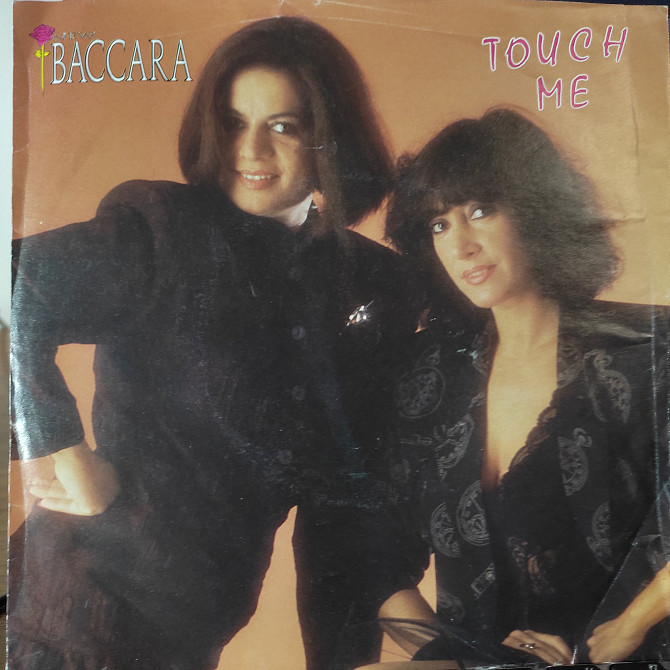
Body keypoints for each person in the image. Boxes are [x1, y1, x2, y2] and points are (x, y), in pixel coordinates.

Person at [9, 17, 423, 670]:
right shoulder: (163, 231)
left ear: (333, 137)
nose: (250, 150)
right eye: (233, 122)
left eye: (284, 126)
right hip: (73, 616)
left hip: (197, 629)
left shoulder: (372, 285)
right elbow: (16, 285)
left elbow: (343, 514)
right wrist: (63, 450)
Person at [372, 108, 670, 668]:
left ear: (536, 210)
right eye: (439, 225)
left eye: (479, 211)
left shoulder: (648, 351)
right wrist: (455, 656)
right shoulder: (430, 377)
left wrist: (627, 628)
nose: (461, 245)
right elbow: (376, 556)